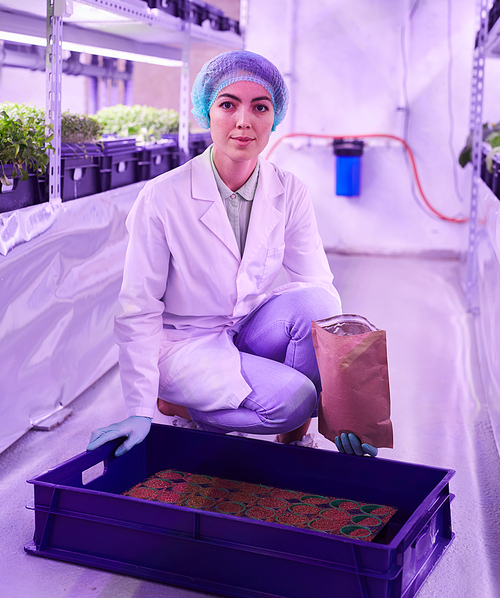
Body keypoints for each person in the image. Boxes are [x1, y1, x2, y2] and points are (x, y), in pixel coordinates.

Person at [87, 50, 377, 458]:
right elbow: (138, 307)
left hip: (246, 327)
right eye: (228, 104)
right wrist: (139, 411)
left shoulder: (288, 189)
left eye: (260, 107)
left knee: (316, 301)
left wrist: (345, 409)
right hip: (185, 344)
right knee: (293, 400)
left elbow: (320, 288)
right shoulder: (163, 196)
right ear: (207, 112)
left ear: (274, 118)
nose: (244, 121)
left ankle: (297, 442)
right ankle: (178, 405)